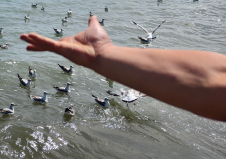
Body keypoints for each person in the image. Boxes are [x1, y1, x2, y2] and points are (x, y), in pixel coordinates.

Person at [20, 16, 226, 122]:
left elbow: (208, 82)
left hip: (124, 85)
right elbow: (210, 82)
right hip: (125, 88)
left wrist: (103, 56)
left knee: (118, 95)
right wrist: (103, 57)